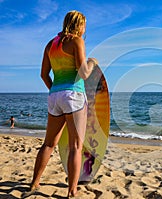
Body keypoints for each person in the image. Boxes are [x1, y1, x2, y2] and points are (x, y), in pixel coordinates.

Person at [22, 10, 98, 198]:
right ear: (79, 24)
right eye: (83, 25)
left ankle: (34, 183)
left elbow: (43, 74)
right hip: (73, 96)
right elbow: (83, 73)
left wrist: (55, 90)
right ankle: (72, 191)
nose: (84, 29)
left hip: (55, 96)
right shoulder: (77, 41)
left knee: (48, 143)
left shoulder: (50, 44)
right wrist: (92, 62)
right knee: (75, 147)